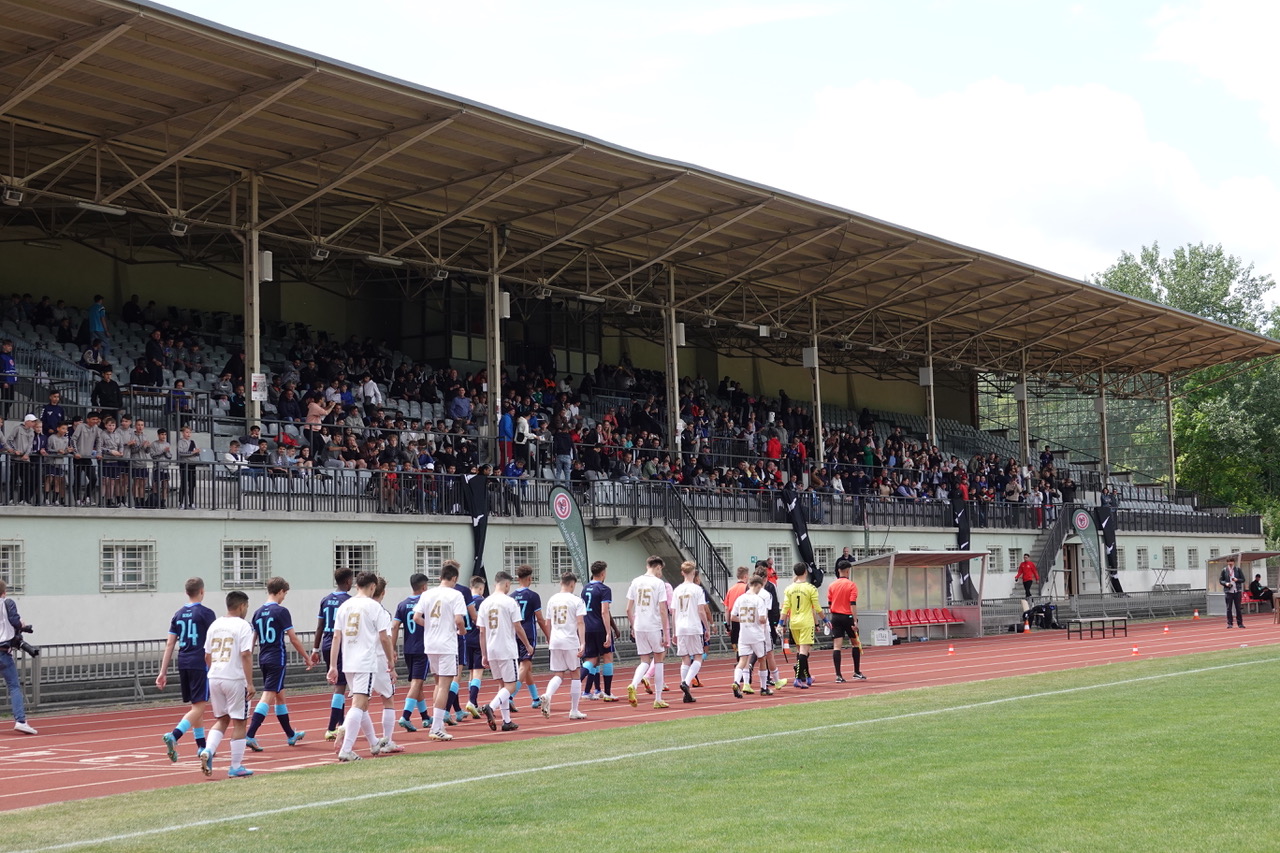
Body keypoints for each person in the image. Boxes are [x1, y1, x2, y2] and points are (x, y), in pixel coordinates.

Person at [328, 571, 396, 762]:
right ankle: (347, 748)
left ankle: (374, 742)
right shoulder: (375, 607)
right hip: (365, 661)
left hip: (348, 661)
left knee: (362, 704)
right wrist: (390, 660)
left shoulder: (344, 606)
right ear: (373, 587)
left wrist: (333, 665)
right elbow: (384, 637)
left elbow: (336, 637)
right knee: (359, 704)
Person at [244, 577, 314, 752]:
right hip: (277, 658)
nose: (284, 597)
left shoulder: (257, 612)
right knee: (268, 695)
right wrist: (306, 656)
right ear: (280, 591)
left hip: (263, 657)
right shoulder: (281, 611)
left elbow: (252, 640)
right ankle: (250, 734)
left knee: (280, 695)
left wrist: (248, 657)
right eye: (285, 594)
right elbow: (293, 638)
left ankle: (290, 734)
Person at [197, 590, 256, 779]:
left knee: (222, 719)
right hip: (234, 678)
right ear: (242, 606)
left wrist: (214, 670)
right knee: (240, 721)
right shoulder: (243, 626)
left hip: (214, 676)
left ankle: (208, 750)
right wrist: (250, 682)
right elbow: (246, 654)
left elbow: (207, 655)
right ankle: (236, 766)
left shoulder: (215, 625)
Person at [157, 577, 216, 761]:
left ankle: (201, 746)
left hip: (183, 662)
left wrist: (162, 671)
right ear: (202, 591)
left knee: (196, 705)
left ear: (186, 593)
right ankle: (175, 735)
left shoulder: (178, 614)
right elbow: (212, 642)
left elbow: (169, 644)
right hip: (200, 662)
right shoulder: (206, 614)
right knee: (200, 706)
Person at [412, 560, 467, 742]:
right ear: (454, 578)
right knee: (444, 684)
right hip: (446, 644)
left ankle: (438, 724)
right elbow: (459, 620)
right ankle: (436, 727)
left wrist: (431, 625)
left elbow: (416, 617)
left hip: (430, 643)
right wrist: (462, 630)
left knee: (437, 684)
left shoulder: (427, 594)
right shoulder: (456, 594)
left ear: (439, 577)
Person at [479, 571, 534, 733]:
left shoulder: (485, 603)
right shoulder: (509, 602)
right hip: (506, 648)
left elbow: (482, 632)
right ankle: (491, 706)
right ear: (507, 584)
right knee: (510, 685)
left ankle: (507, 721)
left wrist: (484, 654)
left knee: (502, 685)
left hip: (491, 647)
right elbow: (518, 626)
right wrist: (528, 645)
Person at [312, 568, 354, 741]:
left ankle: (341, 722)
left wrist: (315, 649)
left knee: (339, 684)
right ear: (347, 581)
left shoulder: (326, 599)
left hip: (327, 643)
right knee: (341, 687)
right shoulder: (349, 601)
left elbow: (320, 626)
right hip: (341, 644)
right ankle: (331, 727)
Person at [626, 555, 670, 710]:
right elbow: (663, 610)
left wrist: (632, 626)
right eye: (660, 570)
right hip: (653, 625)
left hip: (639, 625)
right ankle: (658, 698)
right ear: (657, 567)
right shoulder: (659, 584)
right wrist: (665, 631)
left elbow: (628, 608)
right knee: (658, 660)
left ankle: (633, 684)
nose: (660, 573)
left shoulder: (636, 581)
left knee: (644, 661)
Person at [541, 571, 588, 720]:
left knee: (558, 674)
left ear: (561, 582)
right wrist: (583, 642)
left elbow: (547, 622)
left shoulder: (552, 600)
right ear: (572, 584)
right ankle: (574, 710)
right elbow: (580, 622)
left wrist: (549, 638)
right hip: (569, 640)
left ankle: (547, 695)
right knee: (575, 673)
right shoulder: (576, 600)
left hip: (555, 640)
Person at [391, 572, 433, 733]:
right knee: (417, 683)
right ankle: (406, 716)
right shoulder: (426, 603)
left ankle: (425, 717)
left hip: (408, 648)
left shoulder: (402, 604)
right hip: (422, 648)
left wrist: (393, 647)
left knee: (418, 684)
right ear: (424, 587)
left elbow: (394, 626)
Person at [780, 563, 828, 689]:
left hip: (794, 623)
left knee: (800, 651)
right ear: (806, 572)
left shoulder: (789, 589)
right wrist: (825, 619)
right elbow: (817, 608)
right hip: (806, 622)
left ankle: (807, 676)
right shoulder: (811, 588)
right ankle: (797, 678)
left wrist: (781, 623)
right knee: (804, 651)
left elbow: (785, 608)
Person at [671, 561, 711, 704]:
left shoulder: (677, 590)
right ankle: (686, 683)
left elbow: (674, 613)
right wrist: (706, 627)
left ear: (682, 573)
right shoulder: (697, 589)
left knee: (685, 659)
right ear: (694, 573)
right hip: (693, 626)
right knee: (698, 657)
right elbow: (701, 610)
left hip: (681, 627)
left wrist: (674, 631)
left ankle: (686, 690)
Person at [0, 579, 37, 734]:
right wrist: (22, 625)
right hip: (3, 651)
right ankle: (20, 721)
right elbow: (15, 621)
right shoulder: (7, 603)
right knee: (14, 686)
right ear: (4, 592)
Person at [580, 560, 617, 701]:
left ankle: (578, 682)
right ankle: (607, 693)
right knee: (607, 657)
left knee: (592, 659)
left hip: (587, 627)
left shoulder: (584, 589)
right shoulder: (604, 589)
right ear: (603, 573)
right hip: (599, 627)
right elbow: (604, 612)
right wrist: (608, 632)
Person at [510, 564, 545, 710]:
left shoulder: (511, 596)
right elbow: (540, 618)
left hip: (514, 634)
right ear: (530, 578)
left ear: (518, 579)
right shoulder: (533, 596)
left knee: (527, 667)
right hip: (528, 634)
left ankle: (536, 698)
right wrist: (548, 634)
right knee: (524, 665)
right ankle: (510, 696)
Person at [730, 576, 769, 698]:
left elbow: (732, 617)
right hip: (757, 635)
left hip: (744, 634)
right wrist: (760, 619)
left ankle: (736, 681)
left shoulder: (740, 599)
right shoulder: (758, 600)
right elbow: (762, 619)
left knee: (742, 660)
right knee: (762, 659)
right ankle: (763, 687)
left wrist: (744, 619)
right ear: (758, 585)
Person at [827, 563, 865, 682]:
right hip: (847, 616)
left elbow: (829, 602)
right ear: (848, 571)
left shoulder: (832, 585)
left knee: (837, 646)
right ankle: (856, 672)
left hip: (836, 616)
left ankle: (838, 675)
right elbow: (852, 604)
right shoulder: (851, 585)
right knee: (855, 643)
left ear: (838, 570)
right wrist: (855, 620)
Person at [460, 575, 487, 720]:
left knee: (470, 673)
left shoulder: (464, 601)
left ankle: (473, 702)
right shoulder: (483, 602)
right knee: (478, 673)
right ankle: (472, 701)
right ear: (481, 588)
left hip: (465, 638)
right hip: (478, 639)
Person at [1220, 558, 1246, 629]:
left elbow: (1243, 579)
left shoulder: (1237, 569)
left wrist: (1237, 580)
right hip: (1228, 592)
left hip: (1237, 591)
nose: (1230, 563)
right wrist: (1226, 583)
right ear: (1227, 563)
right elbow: (1221, 580)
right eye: (1229, 562)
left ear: (1234, 562)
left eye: (1231, 561)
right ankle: (1230, 624)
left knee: (1238, 608)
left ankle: (1240, 623)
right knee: (1229, 608)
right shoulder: (1224, 570)